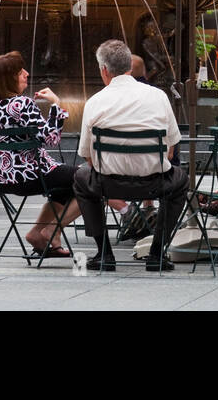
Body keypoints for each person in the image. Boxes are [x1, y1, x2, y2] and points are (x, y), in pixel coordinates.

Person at [74, 39, 185, 272]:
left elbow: (87, 157)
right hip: (156, 184)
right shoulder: (158, 96)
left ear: (104, 69)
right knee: (181, 180)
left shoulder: (95, 102)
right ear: (129, 67)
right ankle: (157, 253)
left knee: (81, 179)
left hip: (107, 185)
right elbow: (172, 149)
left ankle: (104, 253)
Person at [0, 51, 79, 258]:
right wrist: (56, 104)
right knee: (88, 179)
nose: (26, 73)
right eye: (20, 71)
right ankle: (52, 230)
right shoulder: (21, 104)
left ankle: (37, 234)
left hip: (4, 179)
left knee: (66, 184)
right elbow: (51, 139)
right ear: (10, 78)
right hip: (32, 175)